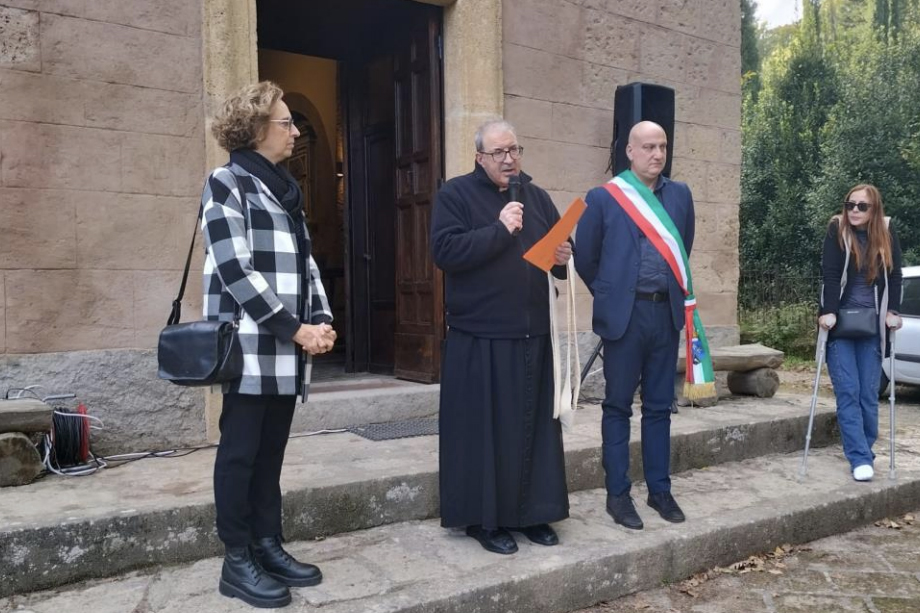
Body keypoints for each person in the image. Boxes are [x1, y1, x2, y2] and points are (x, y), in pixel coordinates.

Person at [202, 81, 337, 608]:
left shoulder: (285, 189)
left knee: (271, 453)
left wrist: (321, 318)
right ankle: (237, 559)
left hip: (284, 348)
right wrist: (294, 328)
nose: (296, 131)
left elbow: (306, 264)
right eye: (286, 123)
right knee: (239, 454)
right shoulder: (226, 183)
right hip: (248, 347)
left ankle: (266, 543)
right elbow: (234, 269)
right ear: (258, 130)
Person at [431, 119, 572, 555]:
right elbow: (445, 252)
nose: (509, 159)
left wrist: (562, 257)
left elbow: (551, 262)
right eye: (498, 153)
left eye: (514, 150)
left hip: (532, 334)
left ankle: (531, 515)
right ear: (479, 158)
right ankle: (484, 520)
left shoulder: (538, 197)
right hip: (480, 337)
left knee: (532, 431)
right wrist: (500, 228)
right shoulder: (454, 195)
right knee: (486, 436)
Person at [574, 121, 695, 531]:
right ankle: (618, 495)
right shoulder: (604, 198)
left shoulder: (680, 196)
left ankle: (660, 491)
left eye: (662, 146)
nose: (657, 154)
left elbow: (683, 248)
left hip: (666, 315)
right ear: (629, 151)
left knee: (661, 407)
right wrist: (611, 294)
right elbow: (587, 258)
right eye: (648, 147)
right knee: (617, 406)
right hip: (625, 318)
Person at [818, 184, 902, 482]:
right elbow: (829, 274)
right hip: (840, 327)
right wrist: (827, 311)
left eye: (861, 206)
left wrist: (893, 311)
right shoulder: (836, 229)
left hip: (872, 328)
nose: (854, 210)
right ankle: (859, 457)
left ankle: (863, 451)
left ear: (874, 210)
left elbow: (895, 274)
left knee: (868, 393)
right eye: (850, 204)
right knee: (848, 391)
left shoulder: (887, 232)